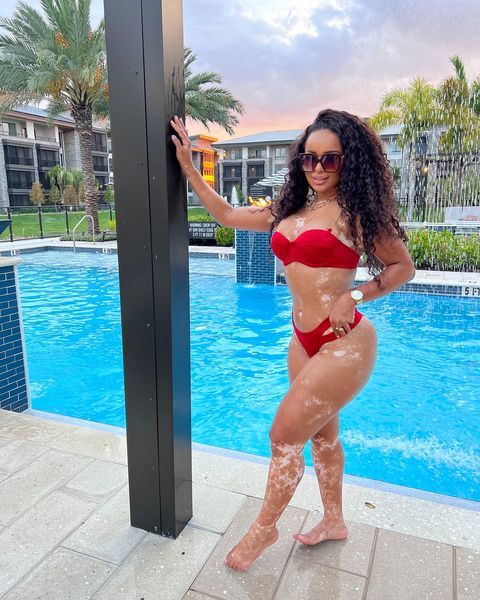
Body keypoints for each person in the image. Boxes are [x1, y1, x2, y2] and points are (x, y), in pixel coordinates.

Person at [170, 109, 415, 571]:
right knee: (323, 436)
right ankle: (334, 521)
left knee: (283, 436)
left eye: (330, 159)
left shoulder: (356, 215)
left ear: (349, 162)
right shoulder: (288, 211)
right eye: (309, 158)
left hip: (345, 342)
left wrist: (355, 295)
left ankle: (264, 528)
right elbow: (226, 213)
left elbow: (403, 267)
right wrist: (187, 166)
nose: (318, 168)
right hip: (303, 341)